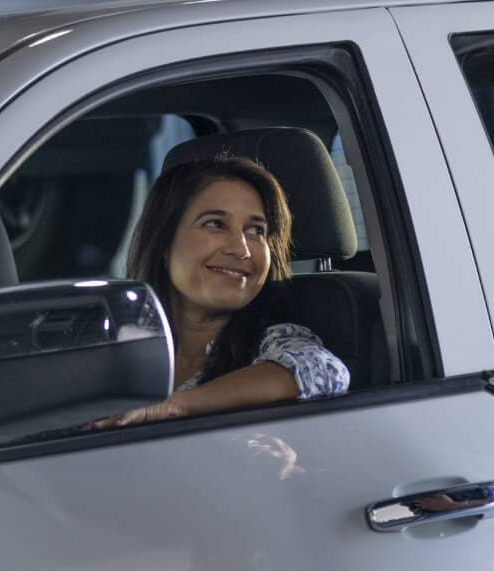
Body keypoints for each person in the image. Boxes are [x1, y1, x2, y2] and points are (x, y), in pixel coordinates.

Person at [92, 157, 349, 428]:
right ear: (165, 242)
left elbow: (323, 371)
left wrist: (174, 406)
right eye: (215, 224)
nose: (241, 249)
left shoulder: (272, 342)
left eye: (255, 230)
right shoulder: (117, 340)